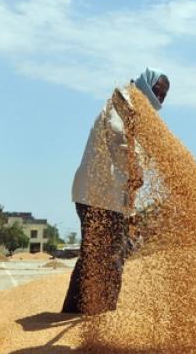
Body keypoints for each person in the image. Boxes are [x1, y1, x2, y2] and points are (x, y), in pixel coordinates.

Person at [62, 68, 170, 315]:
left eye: (164, 95)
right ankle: (104, 314)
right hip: (98, 194)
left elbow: (135, 151)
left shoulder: (139, 115)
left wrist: (136, 173)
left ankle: (74, 310)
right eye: (157, 91)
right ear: (145, 84)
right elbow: (119, 140)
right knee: (111, 255)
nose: (160, 99)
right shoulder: (121, 102)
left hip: (108, 196)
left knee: (92, 254)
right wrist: (136, 172)